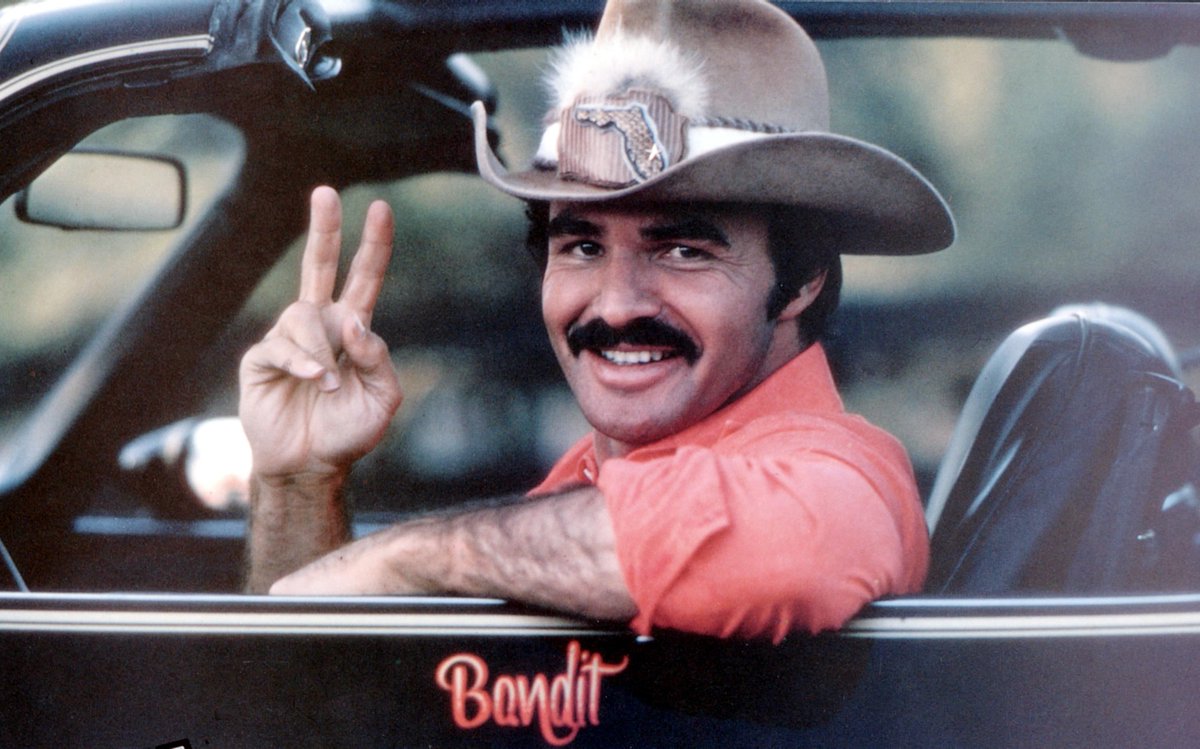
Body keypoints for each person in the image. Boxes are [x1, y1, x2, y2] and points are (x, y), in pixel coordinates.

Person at [240, 0, 955, 642]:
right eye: (583, 246)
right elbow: (304, 690)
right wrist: (301, 482)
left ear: (802, 279)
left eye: (682, 250)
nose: (616, 305)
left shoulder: (846, 472)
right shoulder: (590, 481)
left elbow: (790, 555)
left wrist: (409, 556)